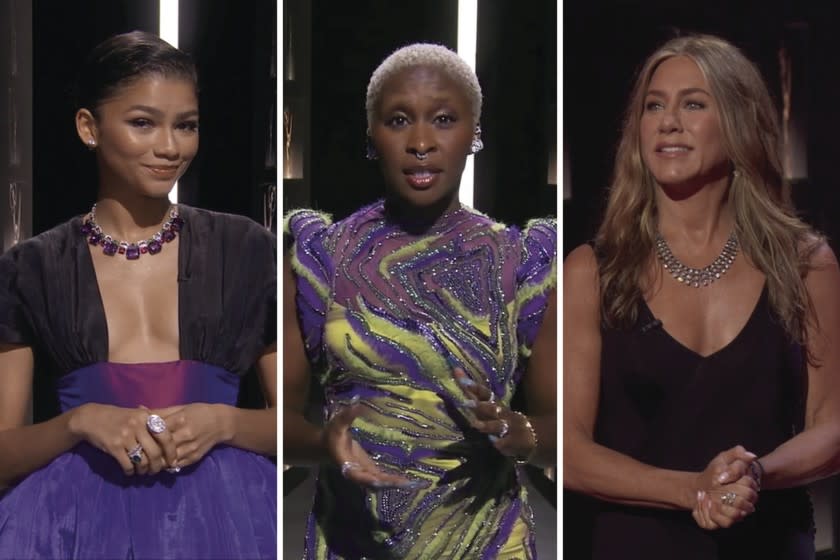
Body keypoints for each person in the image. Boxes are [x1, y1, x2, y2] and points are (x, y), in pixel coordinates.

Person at [0, 31, 277, 559]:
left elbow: (298, 427)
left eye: (186, 126)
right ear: (89, 128)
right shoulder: (31, 269)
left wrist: (226, 422)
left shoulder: (245, 251)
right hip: (73, 527)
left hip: (228, 523)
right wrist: (79, 423)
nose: (170, 147)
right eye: (143, 123)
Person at [563, 33, 840, 559]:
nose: (668, 122)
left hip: (770, 545)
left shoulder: (805, 264)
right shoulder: (594, 272)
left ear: (738, 123)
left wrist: (756, 473)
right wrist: (693, 489)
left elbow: (832, 427)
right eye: (653, 106)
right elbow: (571, 453)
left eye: (693, 104)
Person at [284, 43, 556, 559]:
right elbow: (281, 422)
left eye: (444, 119)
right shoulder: (324, 259)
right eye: (399, 120)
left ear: (475, 133)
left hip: (486, 541)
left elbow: (562, 428)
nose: (422, 142)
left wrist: (520, 433)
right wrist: (324, 445)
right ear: (372, 136)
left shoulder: (521, 263)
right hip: (354, 542)